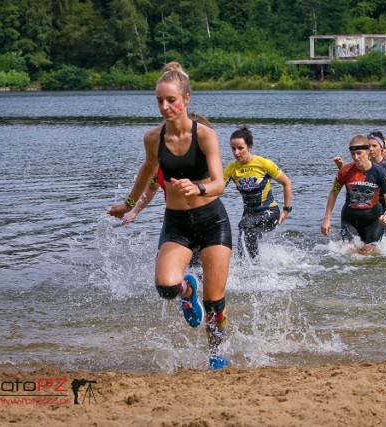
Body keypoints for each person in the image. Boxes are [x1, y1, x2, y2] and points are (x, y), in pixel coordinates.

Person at [107, 62, 232, 370]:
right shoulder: (153, 138)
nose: (165, 107)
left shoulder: (205, 136)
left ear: (186, 99)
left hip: (212, 221)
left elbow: (220, 183)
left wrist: (198, 186)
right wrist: (129, 203)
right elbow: (148, 169)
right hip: (177, 223)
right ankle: (188, 291)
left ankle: (216, 355)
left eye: (171, 100)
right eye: (160, 101)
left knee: (215, 301)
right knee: (165, 286)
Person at [223, 126, 293, 260]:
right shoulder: (231, 169)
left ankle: (255, 267)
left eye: (240, 148)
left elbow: (287, 183)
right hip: (249, 215)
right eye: (233, 149)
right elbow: (217, 188)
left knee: (245, 226)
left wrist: (286, 210)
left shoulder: (264, 164)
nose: (236, 152)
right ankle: (250, 270)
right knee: (242, 253)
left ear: (249, 147)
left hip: (270, 213)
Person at [321, 135, 386, 255]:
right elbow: (333, 193)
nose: (356, 157)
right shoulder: (344, 171)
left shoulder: (380, 172)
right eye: (353, 154)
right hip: (350, 218)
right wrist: (327, 219)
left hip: (373, 219)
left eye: (359, 153)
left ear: (367, 151)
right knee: (350, 253)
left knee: (368, 252)